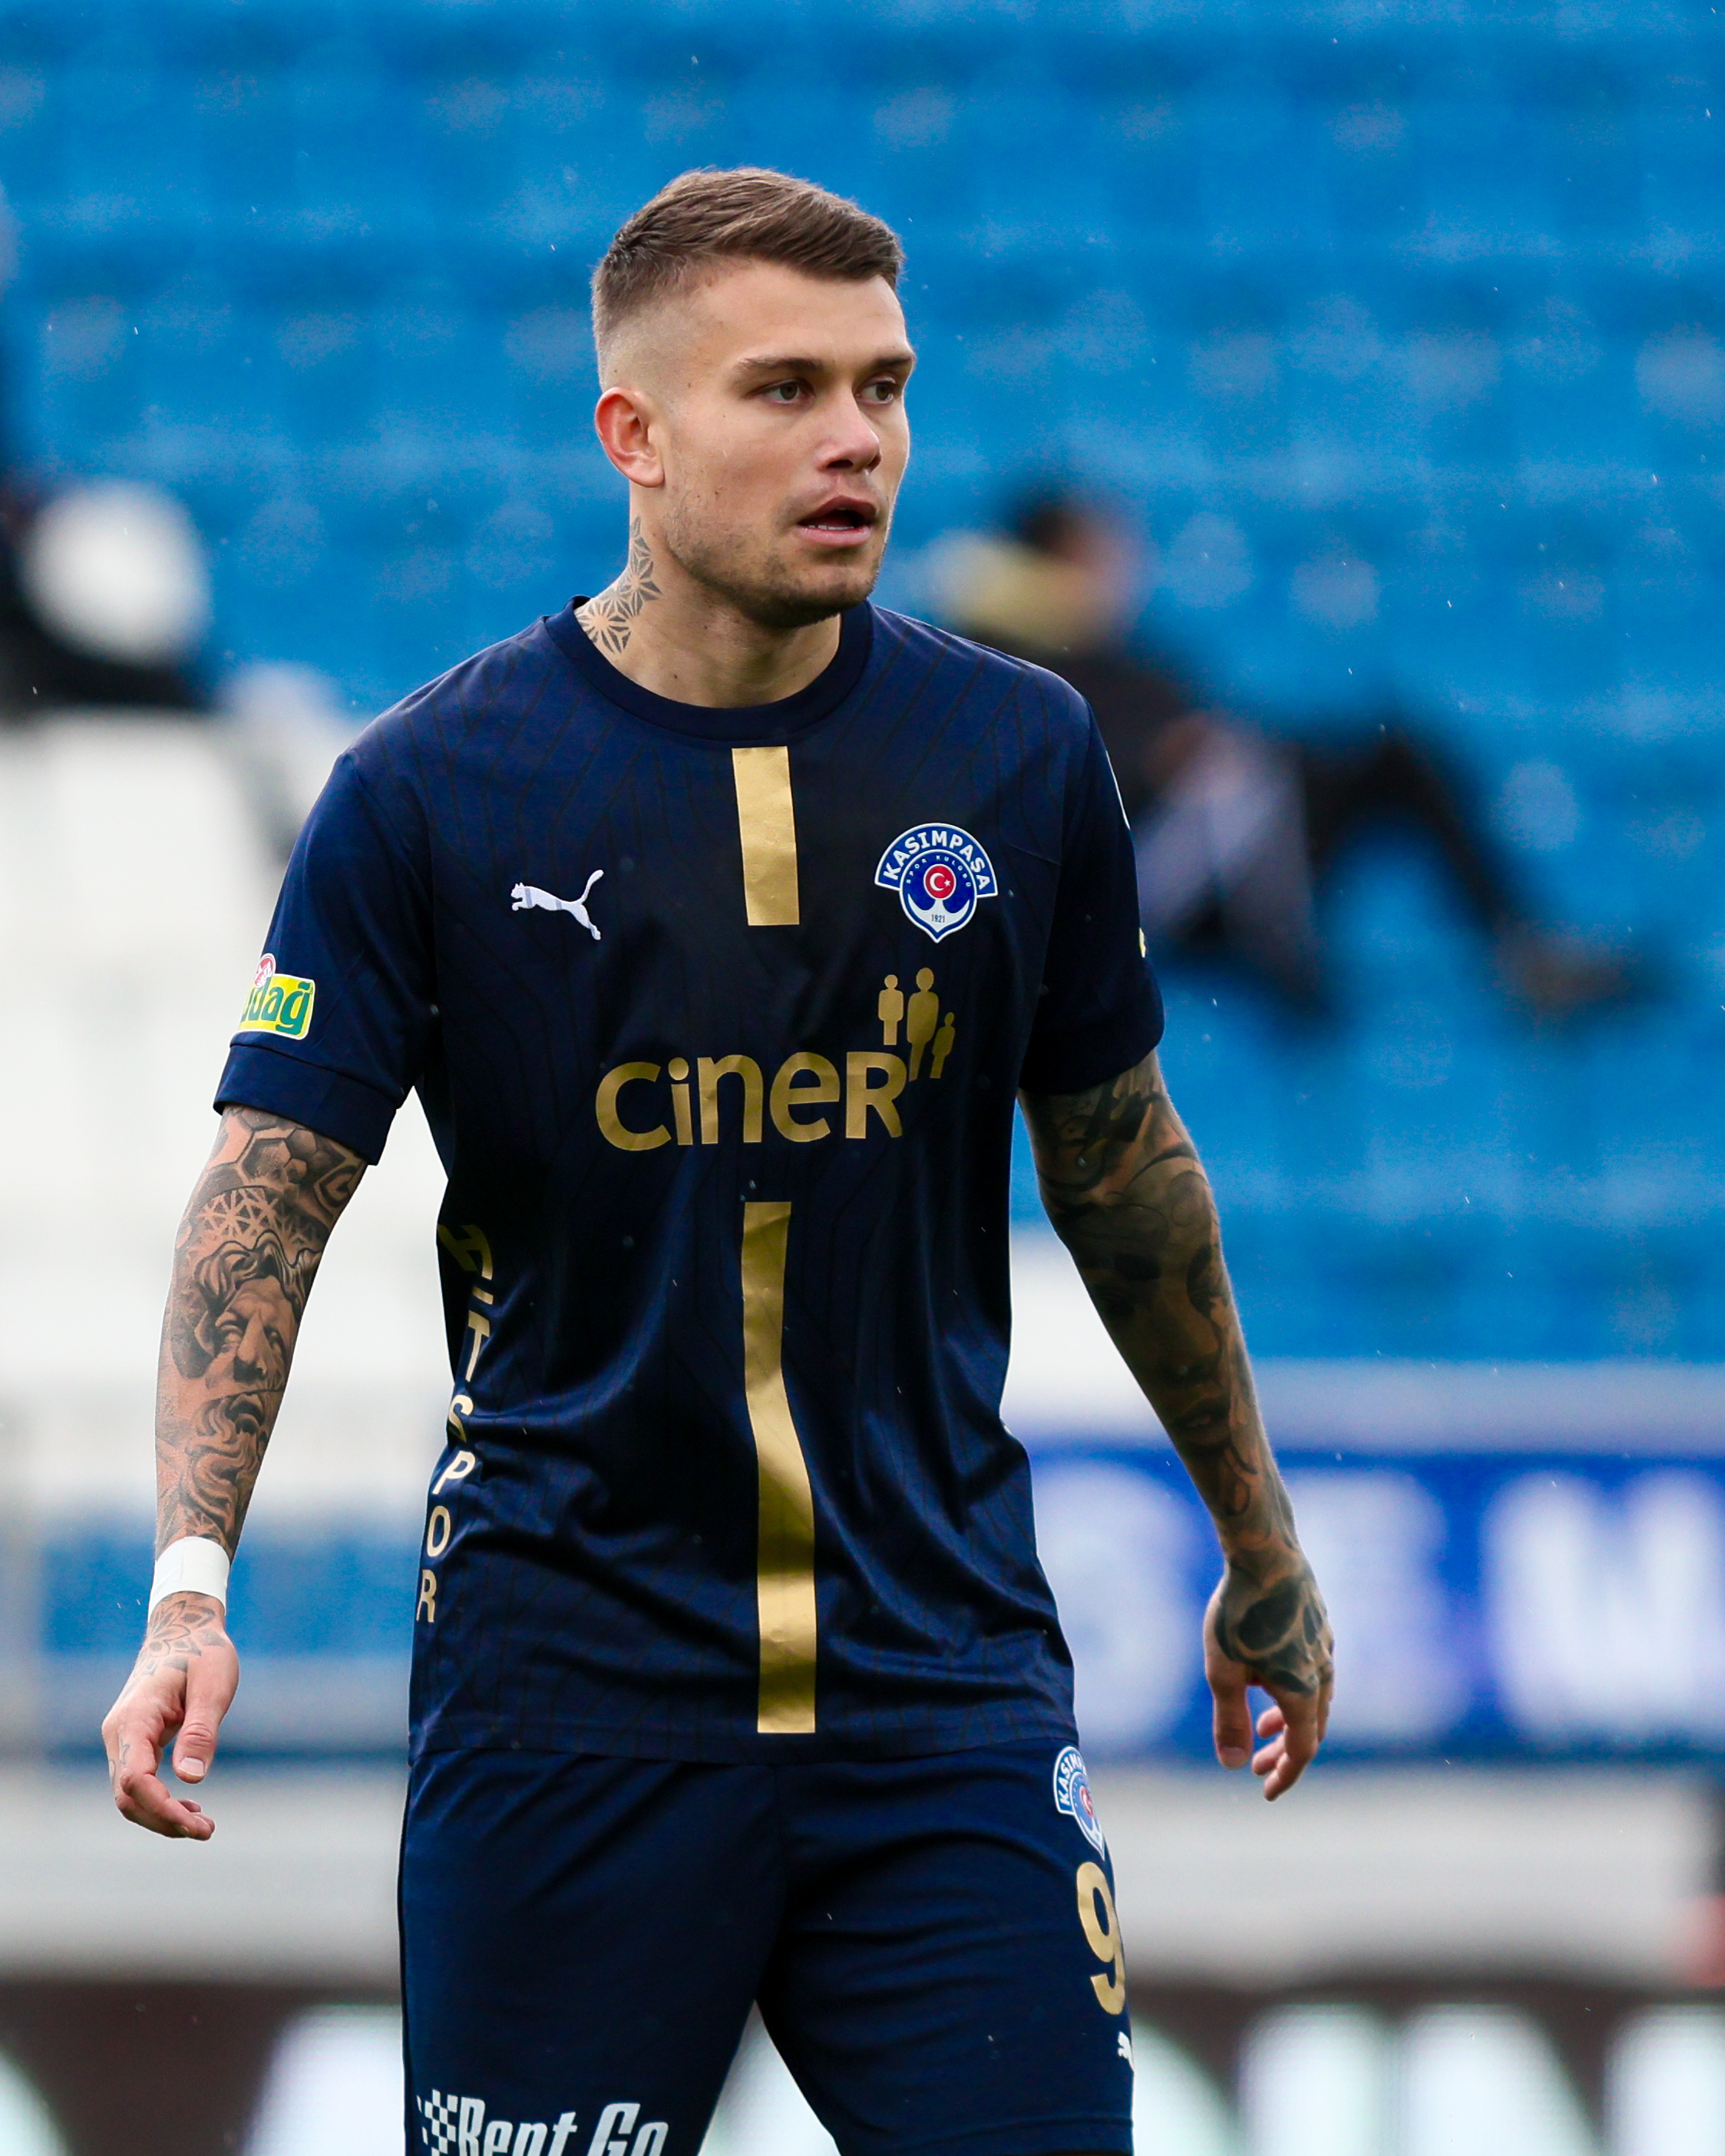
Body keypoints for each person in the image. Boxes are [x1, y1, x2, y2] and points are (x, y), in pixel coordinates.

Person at [102, 170, 1332, 2156]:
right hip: (563, 1709)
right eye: (784, 389)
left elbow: (1122, 1169)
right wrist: (188, 1587)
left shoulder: (1015, 757)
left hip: (938, 1701)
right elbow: (269, 1190)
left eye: (882, 387)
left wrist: (1255, 1543)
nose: (855, 440)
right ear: (636, 435)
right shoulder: (428, 790)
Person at [932, 495, 1634, 1019]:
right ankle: (1283, 945)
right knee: (1252, 768)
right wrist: (1156, 759)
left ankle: (1519, 952)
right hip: (1142, 886)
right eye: (1106, 550)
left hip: (1222, 852)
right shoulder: (1003, 660)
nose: (1126, 567)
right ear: (1062, 556)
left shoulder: (1113, 650)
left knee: (1390, 756)